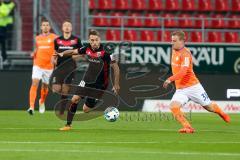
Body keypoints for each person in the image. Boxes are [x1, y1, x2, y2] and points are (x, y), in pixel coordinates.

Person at [163, 30, 230, 133]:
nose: (172, 43)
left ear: (182, 41)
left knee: (209, 107)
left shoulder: (185, 54)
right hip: (181, 89)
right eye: (171, 40)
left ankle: (221, 112)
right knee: (173, 106)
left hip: (194, 87)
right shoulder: (174, 50)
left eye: (174, 41)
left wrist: (169, 79)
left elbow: (184, 71)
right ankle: (188, 127)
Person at [58, 30, 120, 131]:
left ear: (99, 40)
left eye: (96, 40)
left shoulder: (107, 51)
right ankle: (68, 125)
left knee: (86, 110)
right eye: (92, 40)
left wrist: (116, 84)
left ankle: (95, 101)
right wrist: (62, 54)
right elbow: (73, 51)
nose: (94, 42)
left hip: (100, 84)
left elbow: (116, 67)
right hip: (87, 80)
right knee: (74, 99)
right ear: (89, 40)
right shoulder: (86, 48)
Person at [27, 19, 57, 115]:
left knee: (45, 86)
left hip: (49, 66)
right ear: (41, 27)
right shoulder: (37, 38)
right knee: (35, 82)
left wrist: (55, 58)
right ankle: (31, 107)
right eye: (43, 25)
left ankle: (42, 101)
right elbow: (36, 49)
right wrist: (33, 53)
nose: (45, 26)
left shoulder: (54, 37)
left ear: (50, 27)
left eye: (47, 25)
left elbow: (57, 50)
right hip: (38, 64)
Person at [51, 20, 82, 105]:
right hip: (59, 67)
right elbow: (55, 53)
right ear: (62, 28)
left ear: (71, 28)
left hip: (70, 68)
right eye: (65, 25)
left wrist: (76, 56)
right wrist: (53, 59)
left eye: (69, 25)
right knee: (55, 89)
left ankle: (62, 109)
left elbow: (82, 53)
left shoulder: (76, 40)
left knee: (65, 89)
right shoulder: (57, 40)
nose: (67, 27)